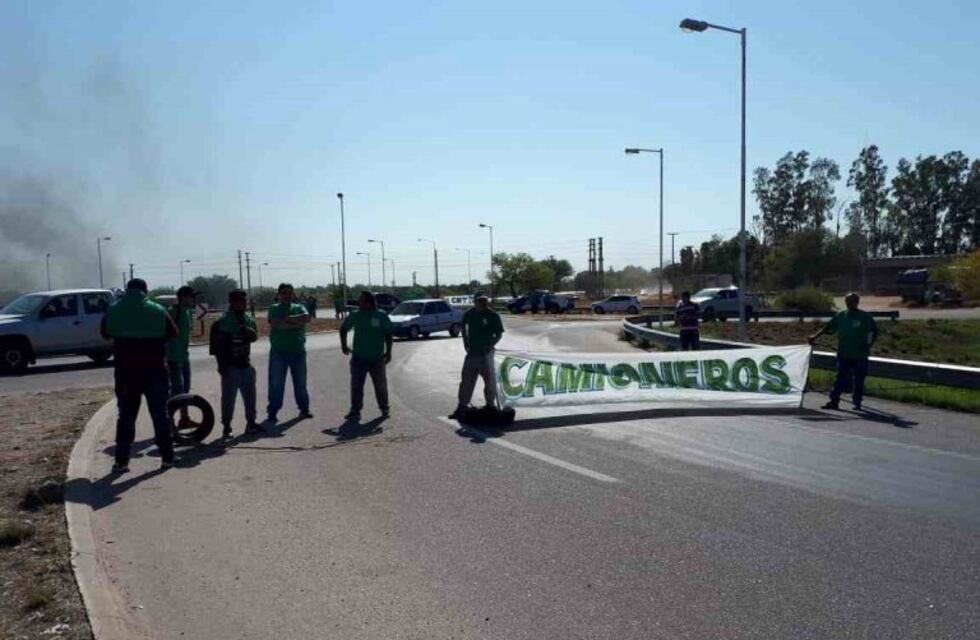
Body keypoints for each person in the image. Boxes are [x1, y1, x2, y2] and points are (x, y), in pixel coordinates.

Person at [100, 279, 179, 472]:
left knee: (126, 416)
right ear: (145, 291)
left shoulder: (114, 309)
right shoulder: (158, 309)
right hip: (155, 371)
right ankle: (167, 458)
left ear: (128, 291)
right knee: (160, 415)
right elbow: (173, 333)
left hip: (126, 372)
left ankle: (121, 461)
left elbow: (105, 334)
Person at [809, 292, 879, 411]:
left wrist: (868, 344)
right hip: (844, 353)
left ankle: (857, 402)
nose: (848, 304)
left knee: (858, 380)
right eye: (847, 302)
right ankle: (834, 401)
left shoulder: (865, 317)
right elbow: (828, 327)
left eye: (851, 301)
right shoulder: (841, 315)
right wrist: (815, 337)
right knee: (840, 378)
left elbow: (874, 332)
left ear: (856, 302)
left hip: (860, 355)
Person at [210, 289, 260, 437]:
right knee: (228, 399)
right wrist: (221, 366)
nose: (244, 304)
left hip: (245, 364)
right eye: (240, 301)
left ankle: (251, 423)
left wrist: (249, 332)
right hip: (230, 367)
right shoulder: (222, 321)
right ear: (232, 302)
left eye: (245, 301)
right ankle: (227, 427)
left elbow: (254, 337)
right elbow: (215, 347)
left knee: (250, 397)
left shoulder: (248, 319)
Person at [449, 292, 504, 419]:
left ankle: (490, 405)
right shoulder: (469, 313)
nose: (483, 302)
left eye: (485, 300)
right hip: (472, 354)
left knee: (490, 381)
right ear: (475, 301)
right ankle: (462, 407)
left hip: (486, 354)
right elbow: (463, 326)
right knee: (466, 382)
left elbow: (499, 334)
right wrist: (465, 343)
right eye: (480, 300)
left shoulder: (492, 315)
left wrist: (491, 344)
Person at [340, 291, 393, 420]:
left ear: (368, 303)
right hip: (359, 358)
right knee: (356, 386)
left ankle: (384, 408)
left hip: (377, 358)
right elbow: (343, 329)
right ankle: (355, 411)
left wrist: (389, 352)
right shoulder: (355, 315)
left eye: (361, 300)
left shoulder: (380, 315)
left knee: (380, 385)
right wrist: (344, 345)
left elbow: (388, 334)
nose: (358, 303)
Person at [266, 283, 312, 424]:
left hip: (298, 352)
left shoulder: (299, 307)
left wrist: (287, 320)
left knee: (300, 382)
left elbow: (306, 318)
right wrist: (295, 323)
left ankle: (304, 409)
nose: (286, 295)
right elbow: (276, 323)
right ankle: (272, 412)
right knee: (276, 384)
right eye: (283, 292)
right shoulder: (273, 308)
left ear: (293, 294)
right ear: (279, 295)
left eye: (289, 292)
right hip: (278, 352)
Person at [165, 286, 196, 429]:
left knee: (185, 389)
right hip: (173, 357)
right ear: (183, 297)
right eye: (191, 296)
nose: (193, 299)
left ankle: (184, 419)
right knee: (176, 390)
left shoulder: (188, 312)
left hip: (184, 356)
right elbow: (164, 333)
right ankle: (167, 421)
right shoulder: (173, 312)